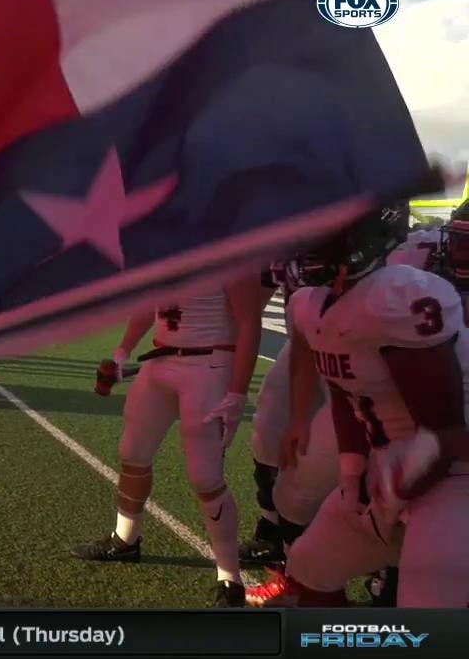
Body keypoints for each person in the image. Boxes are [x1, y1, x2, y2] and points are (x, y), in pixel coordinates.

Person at [271, 204, 469, 607]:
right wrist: (352, 474)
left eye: (321, 241)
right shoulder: (313, 305)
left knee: (425, 617)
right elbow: (346, 390)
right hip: (395, 463)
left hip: (456, 474)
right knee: (311, 566)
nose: (306, 253)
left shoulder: (398, 299)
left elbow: (446, 432)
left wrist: (391, 494)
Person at [71, 272, 268, 607]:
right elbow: (150, 306)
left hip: (209, 365)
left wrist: (237, 392)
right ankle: (125, 539)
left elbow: (250, 324)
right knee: (132, 452)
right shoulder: (168, 245)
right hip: (161, 361)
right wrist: (121, 352)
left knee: (205, 476)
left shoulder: (229, 251)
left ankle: (230, 578)